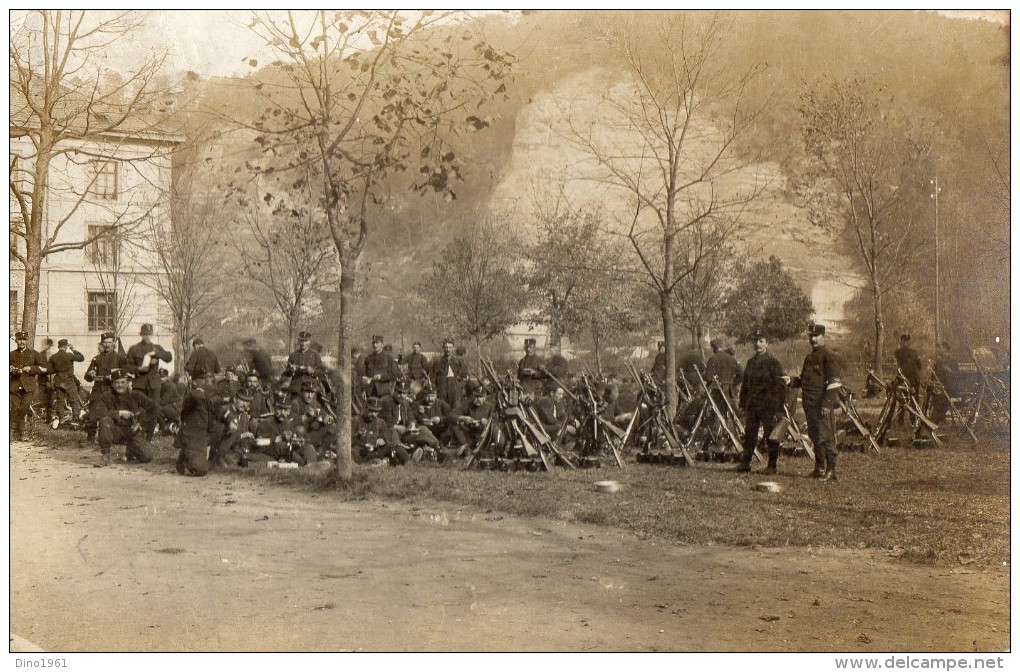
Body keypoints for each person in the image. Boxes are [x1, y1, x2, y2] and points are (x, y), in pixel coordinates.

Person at [789, 323, 842, 481]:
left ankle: (831, 470)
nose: (812, 339)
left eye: (816, 336)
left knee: (827, 436)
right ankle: (819, 468)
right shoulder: (809, 357)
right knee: (815, 435)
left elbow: (834, 383)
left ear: (823, 337)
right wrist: (790, 381)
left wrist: (827, 404)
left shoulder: (828, 356)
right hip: (809, 403)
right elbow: (803, 380)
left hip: (821, 404)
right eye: (810, 336)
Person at [734, 330, 788, 474]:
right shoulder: (750, 362)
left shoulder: (773, 363)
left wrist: (778, 408)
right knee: (750, 434)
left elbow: (781, 387)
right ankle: (745, 463)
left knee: (771, 435)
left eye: (761, 341)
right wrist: (742, 404)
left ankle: (772, 466)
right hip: (752, 405)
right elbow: (745, 384)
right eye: (756, 341)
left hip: (768, 406)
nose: (758, 344)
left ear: (767, 344)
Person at [88, 368, 158, 467]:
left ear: (127, 383)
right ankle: (105, 455)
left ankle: (131, 450)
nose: (119, 385)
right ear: (112, 384)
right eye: (116, 382)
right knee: (105, 420)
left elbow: (154, 408)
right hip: (114, 432)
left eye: (122, 382)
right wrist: (119, 413)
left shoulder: (136, 395)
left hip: (132, 431)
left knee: (147, 457)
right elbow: (98, 414)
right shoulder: (106, 396)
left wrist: (141, 424)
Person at [175, 366, 220, 477]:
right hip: (192, 435)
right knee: (201, 470)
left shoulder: (205, 395)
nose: (205, 382)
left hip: (203, 434)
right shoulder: (194, 395)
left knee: (204, 468)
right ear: (194, 382)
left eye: (206, 379)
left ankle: (187, 456)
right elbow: (184, 414)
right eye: (202, 380)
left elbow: (210, 413)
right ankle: (184, 456)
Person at [10, 331, 47, 441]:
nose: (21, 342)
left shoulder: (34, 354)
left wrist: (31, 369)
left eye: (24, 339)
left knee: (24, 407)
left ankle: (15, 429)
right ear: (16, 340)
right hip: (14, 386)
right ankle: (21, 433)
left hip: (29, 387)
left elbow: (44, 368)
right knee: (15, 408)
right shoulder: (11, 354)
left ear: (27, 341)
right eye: (19, 339)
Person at [126, 323, 173, 411]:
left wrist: (156, 354)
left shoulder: (156, 348)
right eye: (145, 334)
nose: (147, 337)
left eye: (149, 334)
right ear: (141, 335)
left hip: (154, 385)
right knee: (140, 410)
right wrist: (138, 369)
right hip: (139, 384)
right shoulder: (134, 349)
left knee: (154, 409)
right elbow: (127, 366)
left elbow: (169, 357)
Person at [353, 396, 408, 465]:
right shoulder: (357, 421)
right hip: (363, 452)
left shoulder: (380, 422)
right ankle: (383, 462)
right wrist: (358, 435)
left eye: (376, 412)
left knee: (395, 447)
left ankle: (408, 460)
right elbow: (349, 442)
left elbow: (386, 438)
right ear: (366, 409)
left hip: (377, 451)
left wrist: (382, 440)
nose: (373, 414)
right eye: (371, 411)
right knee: (355, 453)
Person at [291, 380, 338, 459]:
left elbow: (323, 414)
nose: (310, 396)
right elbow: (291, 423)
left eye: (312, 393)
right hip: (302, 437)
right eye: (307, 392)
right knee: (300, 430)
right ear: (302, 392)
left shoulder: (314, 403)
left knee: (333, 427)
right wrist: (306, 417)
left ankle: (320, 452)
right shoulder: (296, 403)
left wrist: (327, 419)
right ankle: (304, 454)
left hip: (313, 434)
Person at [47, 339, 85, 426]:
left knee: (60, 401)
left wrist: (58, 370)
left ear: (58, 346)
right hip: (69, 380)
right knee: (73, 399)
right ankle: (75, 418)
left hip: (58, 380)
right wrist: (73, 349)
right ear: (66, 346)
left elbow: (49, 370)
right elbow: (81, 358)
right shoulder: (69, 355)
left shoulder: (53, 357)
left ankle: (61, 418)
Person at [452, 384, 493, 457]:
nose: (477, 399)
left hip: (483, 435)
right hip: (469, 434)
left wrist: (487, 422)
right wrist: (464, 418)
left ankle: (482, 450)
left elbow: (496, 421)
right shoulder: (468, 404)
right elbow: (452, 415)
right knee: (454, 425)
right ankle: (466, 447)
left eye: (480, 397)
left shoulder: (490, 406)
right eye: (476, 396)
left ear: (485, 397)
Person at [84, 332, 127, 399]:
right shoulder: (96, 359)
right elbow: (87, 378)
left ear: (113, 343)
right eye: (105, 342)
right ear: (102, 344)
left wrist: (114, 377)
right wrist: (90, 373)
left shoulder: (120, 358)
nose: (107, 345)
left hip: (113, 392)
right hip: (98, 392)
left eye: (109, 342)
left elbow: (126, 375)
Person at [929, 341, 961, 427]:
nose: (938, 349)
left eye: (941, 348)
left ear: (946, 349)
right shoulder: (938, 362)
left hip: (950, 389)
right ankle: (931, 422)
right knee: (934, 398)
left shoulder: (953, 362)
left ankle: (932, 424)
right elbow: (933, 376)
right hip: (939, 388)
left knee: (940, 402)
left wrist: (949, 370)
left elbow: (958, 376)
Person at [431, 337, 465, 411]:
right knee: (441, 410)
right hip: (441, 389)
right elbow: (432, 378)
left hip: (454, 390)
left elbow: (465, 377)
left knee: (455, 410)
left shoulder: (458, 361)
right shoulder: (437, 362)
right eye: (446, 347)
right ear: (443, 347)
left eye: (450, 347)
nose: (448, 350)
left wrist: (459, 386)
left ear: (453, 348)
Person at [286, 331, 324, 396]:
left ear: (309, 342)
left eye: (305, 341)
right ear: (298, 341)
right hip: (296, 390)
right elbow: (286, 373)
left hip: (310, 390)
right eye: (301, 341)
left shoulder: (315, 355)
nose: (303, 343)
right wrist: (291, 370)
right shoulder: (293, 355)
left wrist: (312, 371)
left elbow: (321, 372)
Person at [362, 335, 400, 400]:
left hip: (384, 393)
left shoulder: (388, 358)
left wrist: (381, 377)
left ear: (382, 344)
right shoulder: (368, 359)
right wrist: (363, 390)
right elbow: (364, 376)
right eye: (373, 343)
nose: (375, 345)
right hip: (371, 392)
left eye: (377, 343)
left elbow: (395, 375)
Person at [157, 369, 183, 434]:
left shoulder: (168, 385)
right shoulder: (163, 384)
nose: (161, 379)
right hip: (171, 407)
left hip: (176, 409)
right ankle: (165, 427)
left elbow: (162, 402)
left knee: (158, 410)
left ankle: (163, 429)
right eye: (159, 377)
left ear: (167, 377)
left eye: (163, 377)